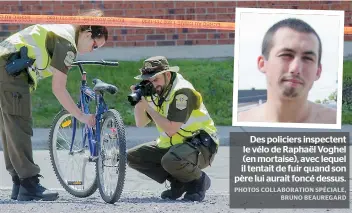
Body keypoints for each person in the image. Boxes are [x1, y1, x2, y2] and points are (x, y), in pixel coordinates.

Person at [0, 9, 108, 201]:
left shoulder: (60, 30)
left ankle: (19, 181)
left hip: (7, 64)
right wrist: (82, 116)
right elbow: (59, 89)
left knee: (10, 127)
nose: (92, 50)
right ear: (88, 33)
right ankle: (29, 183)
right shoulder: (67, 43)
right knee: (19, 126)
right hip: (11, 70)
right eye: (95, 46)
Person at [127, 56, 219, 202]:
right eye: (148, 80)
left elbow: (171, 129)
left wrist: (149, 109)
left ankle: (199, 181)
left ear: (167, 75)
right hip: (175, 144)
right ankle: (179, 182)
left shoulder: (182, 92)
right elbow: (140, 123)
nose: (152, 84)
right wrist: (139, 101)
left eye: (155, 79)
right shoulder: (158, 90)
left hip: (201, 145)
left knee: (171, 160)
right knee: (133, 157)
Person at [238, 18, 336, 124]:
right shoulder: (240, 123)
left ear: (318, 71)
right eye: (286, 55)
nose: (295, 68)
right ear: (262, 63)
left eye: (307, 58)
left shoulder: (335, 123)